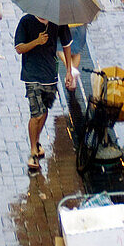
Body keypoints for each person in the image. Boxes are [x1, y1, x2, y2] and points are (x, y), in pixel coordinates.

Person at [14, 10, 76, 173]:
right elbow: (19, 48)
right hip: (32, 75)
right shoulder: (26, 21)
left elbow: (67, 44)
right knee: (36, 114)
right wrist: (37, 41)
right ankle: (33, 151)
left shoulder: (58, 21)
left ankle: (36, 140)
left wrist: (69, 70)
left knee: (44, 111)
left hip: (50, 75)